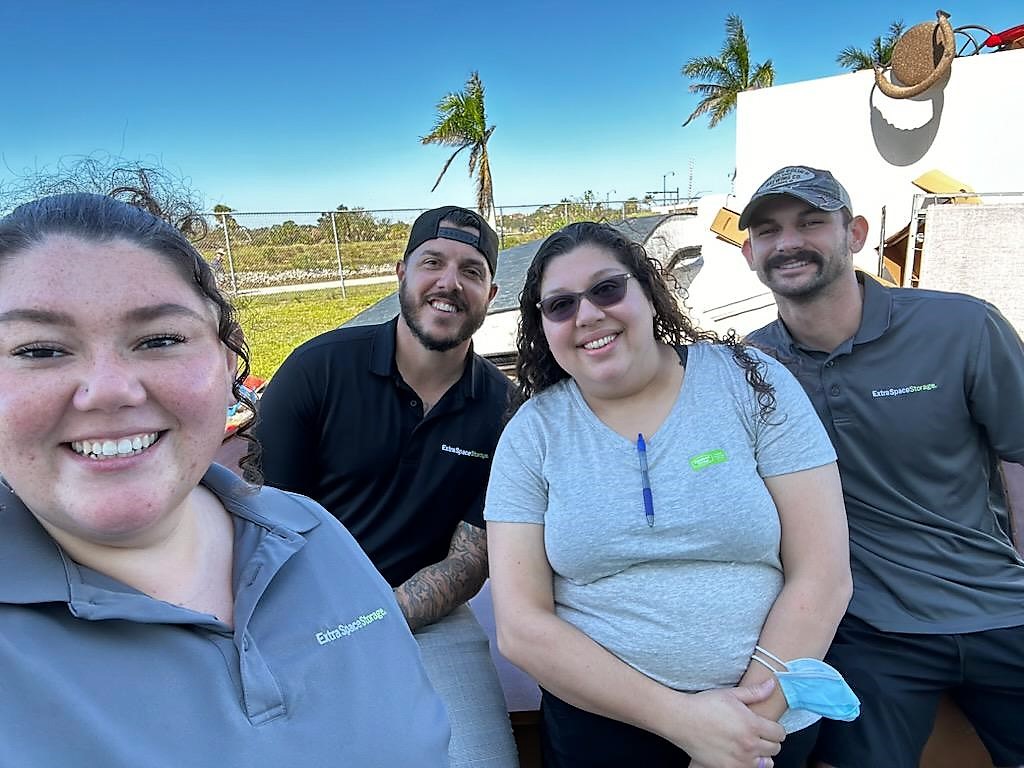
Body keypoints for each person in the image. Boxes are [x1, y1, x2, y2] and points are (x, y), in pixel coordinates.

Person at [0, 193, 449, 765]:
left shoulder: (309, 532)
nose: (110, 389)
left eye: (161, 339)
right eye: (39, 350)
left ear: (226, 360)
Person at [484, 221, 852, 768]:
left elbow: (823, 574)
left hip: (765, 720)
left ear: (649, 294)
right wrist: (686, 724)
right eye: (559, 305)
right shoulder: (532, 433)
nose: (586, 315)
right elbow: (521, 627)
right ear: (543, 326)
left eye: (607, 289)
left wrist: (743, 728)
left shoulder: (753, 382)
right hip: (602, 729)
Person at [739, 165, 1024, 768]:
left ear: (856, 233)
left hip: (1003, 609)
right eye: (768, 231)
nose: (788, 241)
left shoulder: (962, 326)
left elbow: (1020, 456)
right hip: (870, 632)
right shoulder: (749, 367)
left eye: (812, 223)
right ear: (749, 253)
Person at [255, 205, 519, 767]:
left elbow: (471, 560)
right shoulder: (318, 369)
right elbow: (261, 521)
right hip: (301, 615)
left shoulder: (501, 408)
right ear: (401, 272)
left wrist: (376, 620)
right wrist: (330, 628)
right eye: (433, 262)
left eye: (471, 271)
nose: (450, 283)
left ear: (491, 293)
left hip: (428, 616)